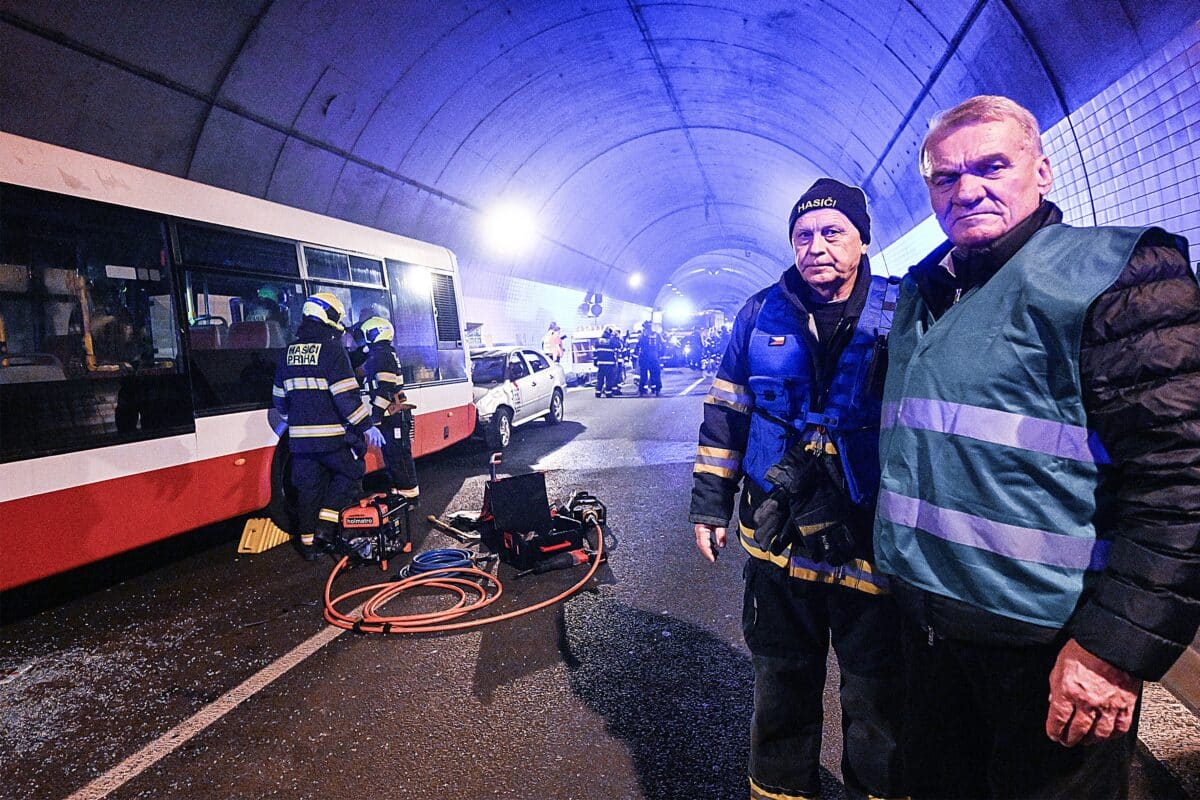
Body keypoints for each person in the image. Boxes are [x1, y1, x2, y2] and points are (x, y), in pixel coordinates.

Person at [874, 95, 1200, 800]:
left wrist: (1113, 648)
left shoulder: (1117, 277)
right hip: (932, 636)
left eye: (992, 165)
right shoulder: (927, 293)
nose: (968, 189)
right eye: (944, 177)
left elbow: (1180, 481)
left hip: (1050, 651)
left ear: (1044, 170)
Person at [691, 178, 905, 800]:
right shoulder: (760, 313)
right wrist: (710, 504)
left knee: (879, 696)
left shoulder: (905, 311)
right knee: (781, 686)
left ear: (863, 239)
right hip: (777, 538)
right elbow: (727, 411)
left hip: (870, 540)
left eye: (833, 231)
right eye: (803, 235)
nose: (817, 246)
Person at [272, 292, 384, 560]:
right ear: (328, 317)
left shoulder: (287, 352)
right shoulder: (333, 351)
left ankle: (308, 547)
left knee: (307, 490)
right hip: (332, 439)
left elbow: (279, 399)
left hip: (299, 443)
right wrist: (367, 426)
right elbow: (346, 396)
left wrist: (297, 419)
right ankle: (326, 526)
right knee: (352, 471)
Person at [360, 316, 419, 499]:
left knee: (398, 454)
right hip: (393, 413)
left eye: (367, 334)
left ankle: (409, 494)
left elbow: (385, 389)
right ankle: (402, 490)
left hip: (393, 414)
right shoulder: (383, 353)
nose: (365, 337)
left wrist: (376, 416)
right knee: (393, 454)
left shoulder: (382, 355)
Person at [635, 321, 663, 396]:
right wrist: (659, 355)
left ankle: (642, 391)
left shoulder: (642, 336)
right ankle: (657, 390)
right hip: (654, 357)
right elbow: (663, 345)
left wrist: (636, 355)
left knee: (643, 375)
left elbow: (638, 346)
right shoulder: (656, 335)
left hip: (644, 357)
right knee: (655, 374)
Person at [593, 326, 620, 397]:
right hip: (609, 364)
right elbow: (619, 345)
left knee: (600, 379)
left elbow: (595, 353)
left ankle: (598, 393)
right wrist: (616, 337)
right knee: (609, 379)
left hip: (600, 363)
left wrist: (595, 362)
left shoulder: (598, 341)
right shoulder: (611, 341)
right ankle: (608, 393)